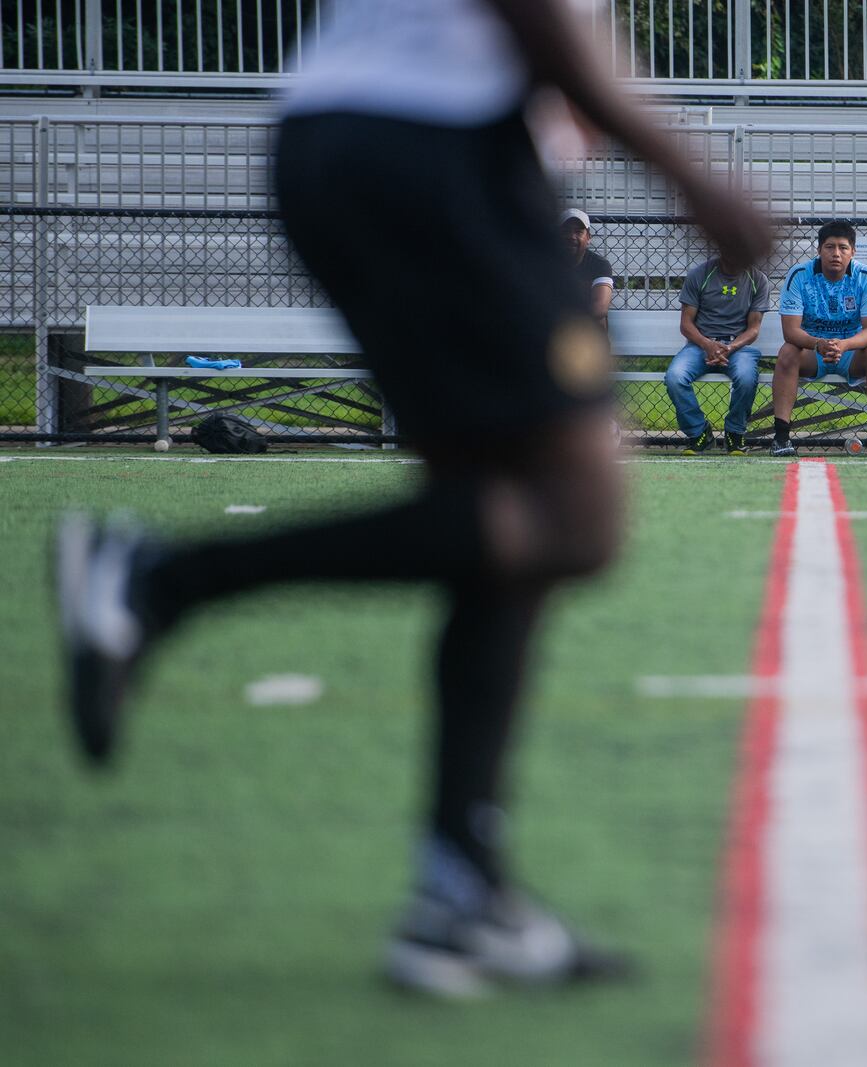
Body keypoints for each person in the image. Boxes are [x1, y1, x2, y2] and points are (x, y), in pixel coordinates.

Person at [52, 0, 769, 998]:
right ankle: (161, 577)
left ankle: (457, 890)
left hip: (350, 142)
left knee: (500, 521)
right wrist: (689, 170)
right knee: (577, 514)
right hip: (433, 150)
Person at [770, 220, 867, 457]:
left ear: (853, 252)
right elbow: (791, 331)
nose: (836, 254)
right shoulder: (799, 275)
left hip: (851, 351)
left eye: (843, 247)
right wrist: (819, 344)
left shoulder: (866, 276)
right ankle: (781, 437)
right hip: (813, 351)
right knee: (788, 351)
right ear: (818, 250)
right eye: (829, 247)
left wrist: (844, 344)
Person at [666, 256, 771, 455]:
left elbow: (753, 329)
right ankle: (699, 433)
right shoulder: (700, 274)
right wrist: (707, 344)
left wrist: (729, 348)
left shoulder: (757, 279)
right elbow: (686, 324)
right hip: (700, 345)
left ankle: (734, 433)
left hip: (737, 348)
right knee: (675, 377)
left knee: (747, 377)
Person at [560, 207, 615, 330]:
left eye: (578, 232)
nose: (572, 236)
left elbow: (600, 308)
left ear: (588, 237)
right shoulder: (546, 263)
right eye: (566, 231)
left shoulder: (600, 265)